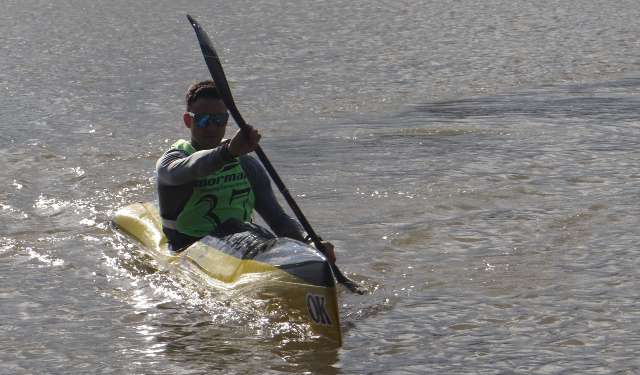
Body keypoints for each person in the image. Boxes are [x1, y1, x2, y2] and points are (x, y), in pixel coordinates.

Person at [155, 80, 335, 262]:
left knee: (255, 233)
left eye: (220, 120)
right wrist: (228, 152)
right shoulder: (172, 161)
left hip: (241, 239)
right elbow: (188, 169)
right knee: (242, 232)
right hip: (189, 245)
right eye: (203, 120)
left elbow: (278, 219)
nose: (212, 127)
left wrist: (310, 242)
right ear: (188, 120)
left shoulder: (246, 164)